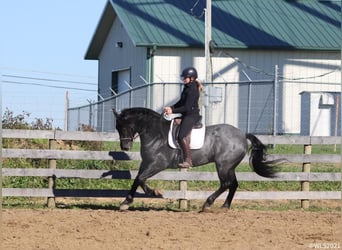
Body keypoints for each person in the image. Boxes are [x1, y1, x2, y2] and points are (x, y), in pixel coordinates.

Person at [164, 67, 203, 168]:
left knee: (181, 136)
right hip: (186, 114)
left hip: (191, 116)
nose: (184, 79)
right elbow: (181, 102)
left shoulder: (193, 89)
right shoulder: (187, 87)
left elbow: (186, 107)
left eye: (186, 77)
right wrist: (171, 107)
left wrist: (172, 111)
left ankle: (188, 160)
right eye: (184, 77)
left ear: (192, 78)